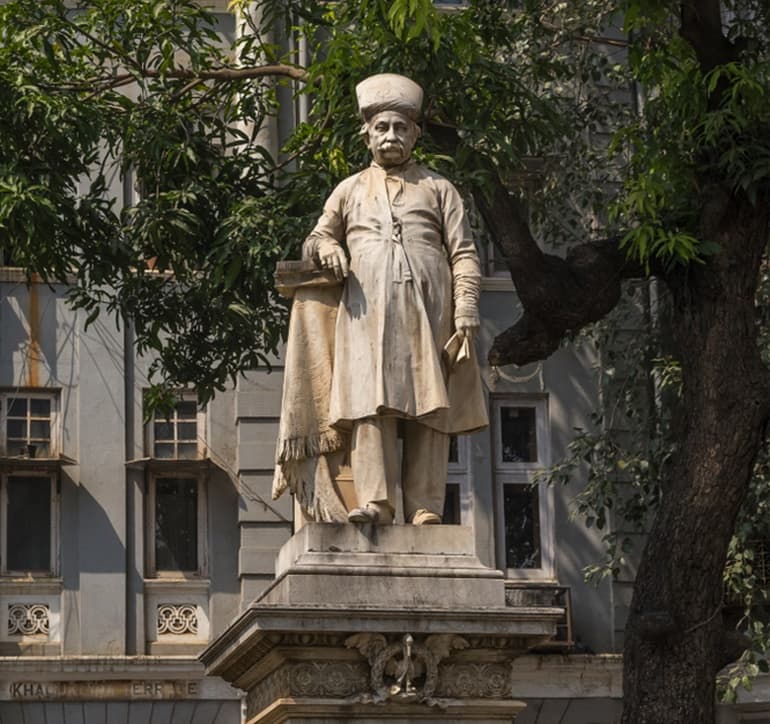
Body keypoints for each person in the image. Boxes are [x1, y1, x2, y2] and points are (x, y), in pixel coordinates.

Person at [301, 73, 488, 526]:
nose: (391, 136)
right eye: (382, 128)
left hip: (432, 311)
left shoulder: (439, 188)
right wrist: (327, 248)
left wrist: (466, 307)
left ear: (414, 135)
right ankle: (378, 502)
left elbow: (464, 252)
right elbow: (316, 237)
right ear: (366, 134)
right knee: (370, 404)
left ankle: (426, 506)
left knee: (430, 405)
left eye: (400, 128)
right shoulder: (349, 189)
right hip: (366, 312)